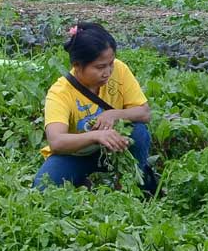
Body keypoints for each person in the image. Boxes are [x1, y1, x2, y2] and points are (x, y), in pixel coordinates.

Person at [34, 23, 157, 194]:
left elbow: (144, 113)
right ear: (77, 66)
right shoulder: (60, 93)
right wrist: (97, 136)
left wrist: (114, 114)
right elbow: (56, 141)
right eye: (100, 67)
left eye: (110, 64)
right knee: (42, 187)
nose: (107, 72)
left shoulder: (119, 70)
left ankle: (130, 185)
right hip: (76, 154)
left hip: (114, 151)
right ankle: (84, 181)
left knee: (138, 131)